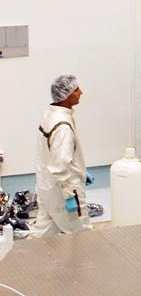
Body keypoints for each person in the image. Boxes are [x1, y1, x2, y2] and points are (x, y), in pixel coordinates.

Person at [31, 75, 93, 237]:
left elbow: (48, 154)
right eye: (76, 89)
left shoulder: (50, 116)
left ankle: (21, 260)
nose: (81, 92)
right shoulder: (63, 127)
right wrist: (69, 195)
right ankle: (83, 263)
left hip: (47, 186)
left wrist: (81, 170)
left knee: (43, 233)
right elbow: (59, 166)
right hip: (63, 190)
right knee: (81, 232)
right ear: (66, 95)